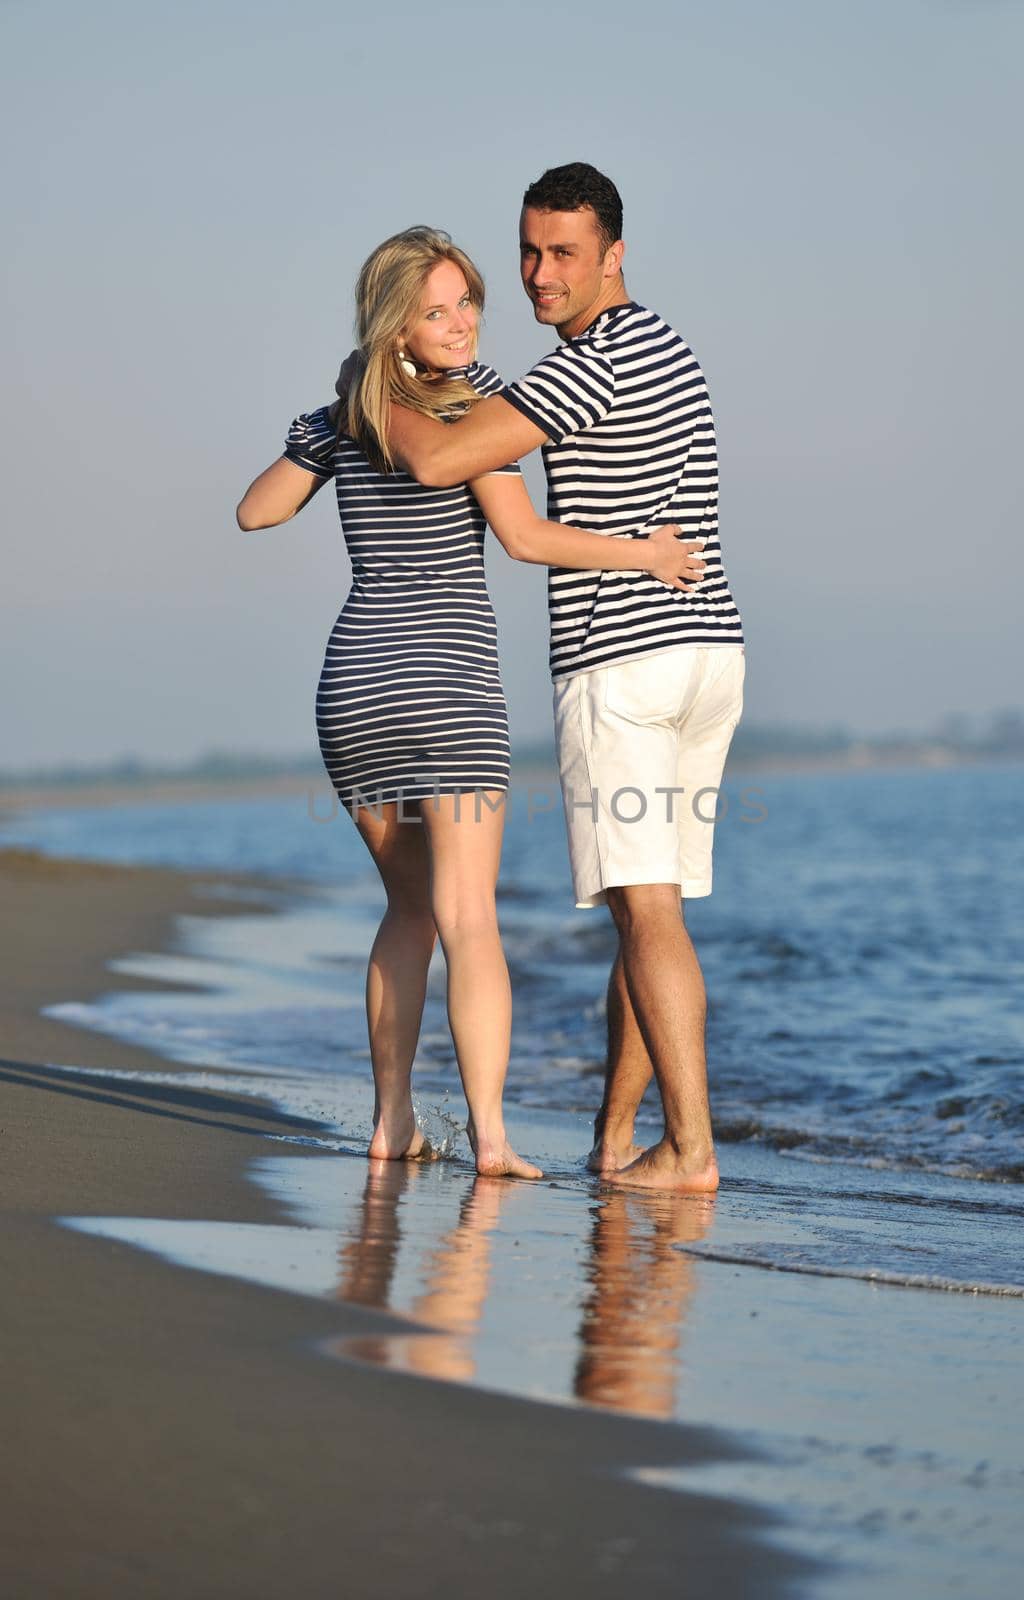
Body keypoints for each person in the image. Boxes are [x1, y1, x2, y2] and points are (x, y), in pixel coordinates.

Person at [236, 226, 704, 1182]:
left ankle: (390, 1123)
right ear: (396, 324)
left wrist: (336, 419)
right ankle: (490, 1141)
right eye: (437, 310)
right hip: (445, 679)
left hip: (356, 684)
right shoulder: (472, 406)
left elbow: (257, 510)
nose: (461, 325)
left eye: (467, 305)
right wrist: (648, 555)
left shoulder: (339, 417)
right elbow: (525, 539)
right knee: (468, 916)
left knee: (406, 911)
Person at [371, 167, 746, 1194]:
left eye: (563, 254)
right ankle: (618, 1138)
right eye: (529, 251)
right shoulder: (668, 344)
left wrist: (382, 388)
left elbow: (446, 466)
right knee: (649, 909)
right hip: (707, 652)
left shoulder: (578, 369)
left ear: (613, 253)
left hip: (621, 661)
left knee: (646, 912)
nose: (539, 274)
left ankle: (691, 1150)